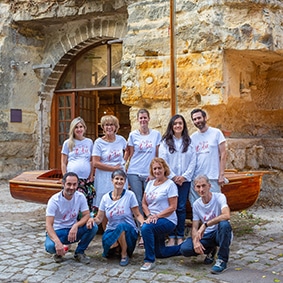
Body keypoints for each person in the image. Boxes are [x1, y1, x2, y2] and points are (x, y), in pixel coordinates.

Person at [87, 169, 145, 266]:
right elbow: (99, 218)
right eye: (116, 179)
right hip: (111, 229)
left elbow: (137, 214)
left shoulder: (130, 195)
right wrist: (91, 220)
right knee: (109, 248)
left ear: (125, 181)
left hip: (129, 231)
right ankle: (117, 245)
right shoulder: (105, 198)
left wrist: (144, 223)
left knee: (121, 226)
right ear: (112, 180)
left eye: (121, 179)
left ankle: (124, 254)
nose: (119, 181)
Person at [180, 175, 232, 274]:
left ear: (209, 186)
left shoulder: (219, 197)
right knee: (185, 249)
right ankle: (210, 250)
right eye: (198, 187)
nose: (201, 189)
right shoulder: (196, 204)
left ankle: (222, 260)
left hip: (219, 233)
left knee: (224, 224)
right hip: (207, 235)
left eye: (204, 186)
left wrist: (205, 224)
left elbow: (226, 215)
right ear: (195, 188)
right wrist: (195, 241)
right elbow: (195, 227)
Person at [126, 108, 161, 247]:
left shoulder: (156, 134)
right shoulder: (133, 135)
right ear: (137, 120)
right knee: (137, 203)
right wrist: (123, 166)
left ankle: (151, 229)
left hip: (149, 174)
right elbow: (130, 154)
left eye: (145, 117)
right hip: (134, 171)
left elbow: (157, 155)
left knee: (150, 201)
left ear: (149, 118)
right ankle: (141, 232)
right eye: (140, 118)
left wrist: (154, 172)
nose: (143, 120)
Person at [159, 114, 196, 246]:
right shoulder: (165, 143)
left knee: (180, 208)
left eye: (180, 123)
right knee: (170, 207)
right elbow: (163, 161)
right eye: (175, 124)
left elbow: (193, 161)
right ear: (171, 126)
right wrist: (173, 176)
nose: (178, 126)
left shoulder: (189, 142)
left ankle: (179, 235)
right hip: (170, 180)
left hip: (185, 181)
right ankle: (171, 236)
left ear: (184, 125)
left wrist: (184, 176)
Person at [45, 172, 98, 264]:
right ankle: (58, 252)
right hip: (59, 231)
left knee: (93, 227)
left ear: (78, 184)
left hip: (73, 230)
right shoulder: (54, 201)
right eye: (69, 184)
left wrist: (76, 225)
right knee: (50, 246)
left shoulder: (80, 197)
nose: (72, 187)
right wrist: (57, 242)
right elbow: (48, 225)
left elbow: (86, 215)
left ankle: (79, 252)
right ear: (63, 183)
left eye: (74, 184)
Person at [140, 157, 181, 271]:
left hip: (167, 220)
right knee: (160, 252)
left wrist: (156, 216)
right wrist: (149, 215)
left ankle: (149, 260)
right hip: (152, 219)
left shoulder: (170, 185)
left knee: (146, 228)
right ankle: (186, 247)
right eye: (155, 169)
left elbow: (173, 207)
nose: (157, 171)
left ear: (165, 169)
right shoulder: (150, 184)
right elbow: (143, 203)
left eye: (159, 168)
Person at [189, 108, 227, 205]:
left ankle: (216, 220)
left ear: (205, 118)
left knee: (215, 204)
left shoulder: (216, 133)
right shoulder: (193, 137)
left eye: (199, 118)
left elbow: (223, 154)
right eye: (195, 119)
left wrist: (221, 174)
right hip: (197, 177)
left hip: (212, 176)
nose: (197, 121)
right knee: (197, 205)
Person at [92, 115, 127, 215]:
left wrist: (124, 162)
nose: (109, 127)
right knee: (105, 203)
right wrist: (113, 168)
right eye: (106, 125)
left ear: (116, 127)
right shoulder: (98, 143)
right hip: (104, 177)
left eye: (112, 125)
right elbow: (95, 162)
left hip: (119, 175)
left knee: (120, 201)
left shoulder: (121, 140)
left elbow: (129, 150)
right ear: (103, 127)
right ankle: (106, 228)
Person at [61, 117, 95, 213]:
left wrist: (91, 174)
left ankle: (84, 224)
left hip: (86, 179)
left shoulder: (89, 142)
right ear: (73, 129)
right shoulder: (67, 143)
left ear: (84, 128)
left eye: (81, 127)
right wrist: (65, 177)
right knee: (72, 202)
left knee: (85, 202)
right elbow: (63, 162)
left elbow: (92, 160)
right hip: (72, 179)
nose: (79, 129)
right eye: (76, 127)